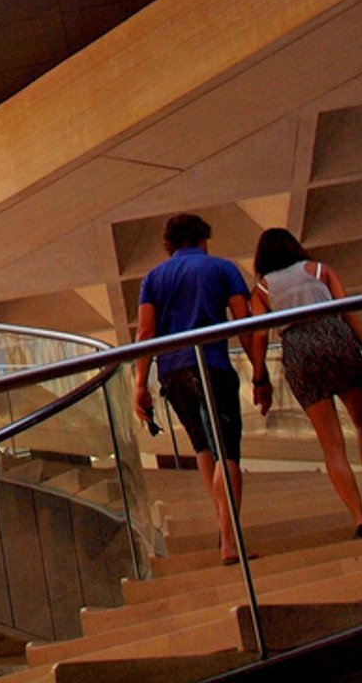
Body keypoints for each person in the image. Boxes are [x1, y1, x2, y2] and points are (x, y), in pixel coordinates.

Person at [133, 212, 271, 565]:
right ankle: (230, 541)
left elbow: (145, 333)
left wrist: (140, 383)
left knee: (203, 450)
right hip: (212, 365)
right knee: (229, 453)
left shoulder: (152, 278)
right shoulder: (222, 268)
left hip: (171, 372)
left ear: (170, 243)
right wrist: (259, 371)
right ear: (203, 238)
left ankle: (223, 531)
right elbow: (244, 322)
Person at [249, 226, 362, 538]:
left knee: (331, 444)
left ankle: (358, 517)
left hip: (300, 351)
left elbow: (261, 335)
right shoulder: (320, 270)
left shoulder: (262, 289)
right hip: (336, 338)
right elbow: (348, 313)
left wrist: (259, 377)